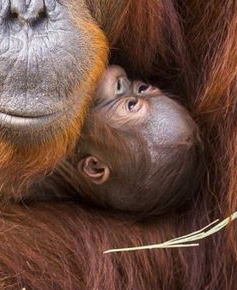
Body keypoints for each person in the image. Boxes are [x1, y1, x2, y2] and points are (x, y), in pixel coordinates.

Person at [42, 65, 204, 217]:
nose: (126, 82)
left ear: (94, 167)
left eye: (131, 105)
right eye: (142, 88)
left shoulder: (32, 181)